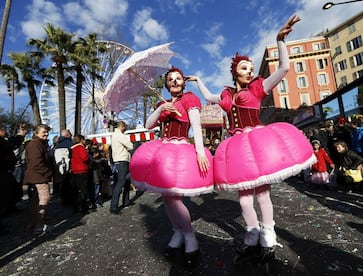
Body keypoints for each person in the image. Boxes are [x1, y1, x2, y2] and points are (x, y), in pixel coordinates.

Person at [187, 15, 315, 261]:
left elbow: (284, 69)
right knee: (245, 200)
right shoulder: (226, 94)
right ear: (234, 70)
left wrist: (280, 41)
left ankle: (269, 236)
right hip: (236, 147)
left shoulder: (258, 87)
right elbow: (211, 97)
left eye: (251, 67)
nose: (249, 71)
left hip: (256, 141)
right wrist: (199, 81)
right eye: (244, 67)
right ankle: (252, 235)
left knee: (263, 194)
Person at [129, 67, 214, 267]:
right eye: (170, 79)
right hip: (163, 151)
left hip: (181, 149)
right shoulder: (163, 104)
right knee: (168, 199)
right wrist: (161, 110)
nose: (174, 81)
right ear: (166, 84)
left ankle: (190, 236)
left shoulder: (190, 99)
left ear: (183, 83)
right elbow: (149, 125)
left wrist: (200, 151)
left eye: (178, 79)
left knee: (175, 199)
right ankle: (178, 232)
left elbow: (196, 125)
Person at [23, 124, 53, 235]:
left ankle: (33, 224)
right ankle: (39, 226)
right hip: (38, 177)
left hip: (35, 176)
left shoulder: (36, 144)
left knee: (35, 201)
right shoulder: (36, 144)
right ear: (36, 133)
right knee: (43, 200)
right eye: (44, 132)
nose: (46, 134)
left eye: (47, 132)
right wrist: (47, 173)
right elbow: (36, 163)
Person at [109, 121, 133, 214]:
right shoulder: (119, 135)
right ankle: (114, 206)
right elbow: (130, 145)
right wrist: (127, 147)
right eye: (125, 126)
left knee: (126, 182)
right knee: (121, 183)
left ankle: (126, 201)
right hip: (122, 160)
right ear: (122, 126)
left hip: (119, 160)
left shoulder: (115, 135)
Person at [70, 134, 90, 214]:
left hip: (74, 170)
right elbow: (84, 158)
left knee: (76, 190)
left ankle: (75, 208)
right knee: (83, 190)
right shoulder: (81, 148)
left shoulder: (72, 149)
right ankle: (85, 208)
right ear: (81, 140)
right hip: (82, 170)